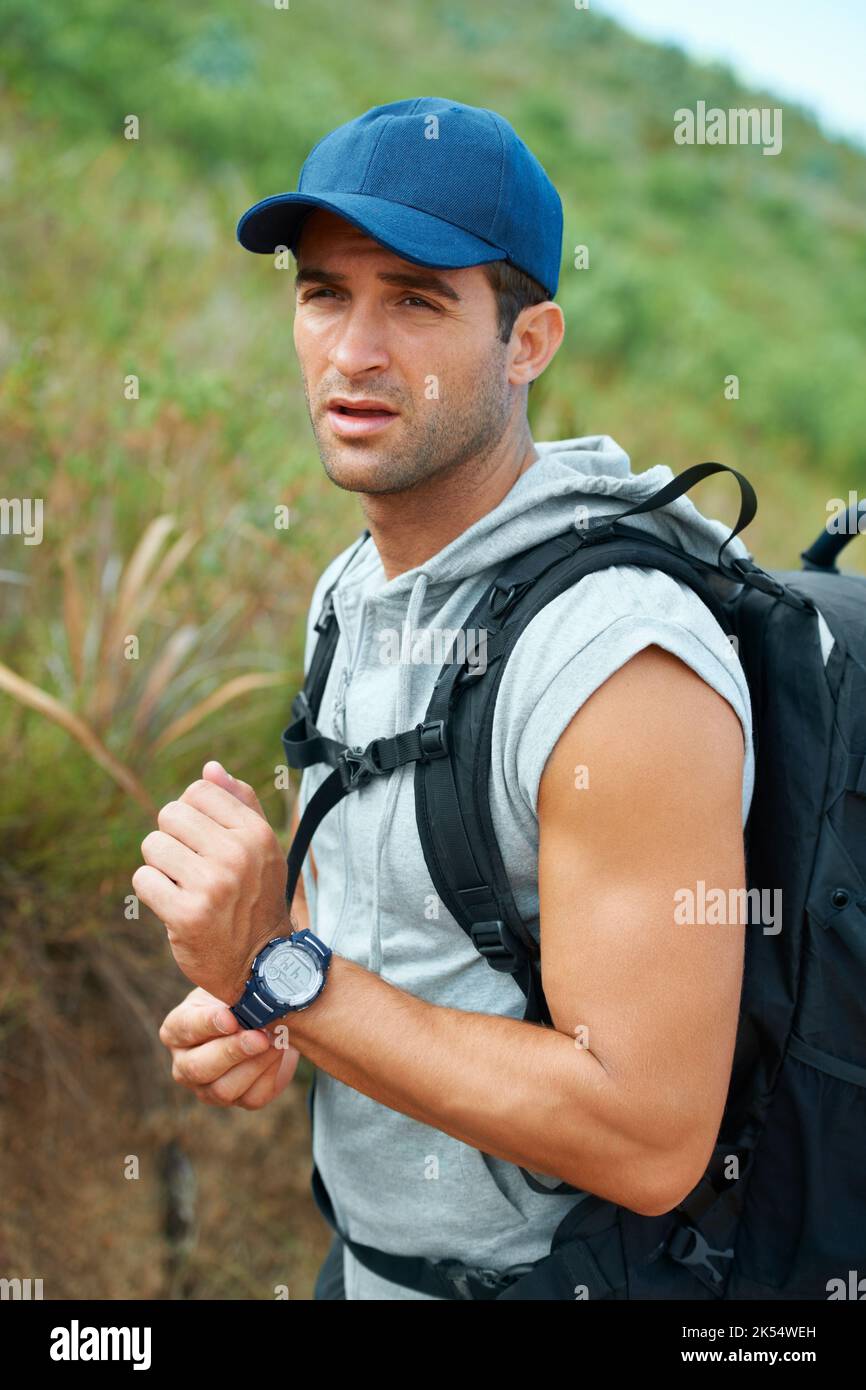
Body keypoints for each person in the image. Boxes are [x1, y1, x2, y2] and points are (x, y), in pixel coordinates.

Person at [141, 98, 754, 1301]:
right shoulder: (356, 582)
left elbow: (648, 1137)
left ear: (528, 342)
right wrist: (266, 1015)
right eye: (324, 293)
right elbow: (388, 941)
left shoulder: (619, 664)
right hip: (364, 1267)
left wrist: (275, 964)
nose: (353, 352)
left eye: (417, 301)